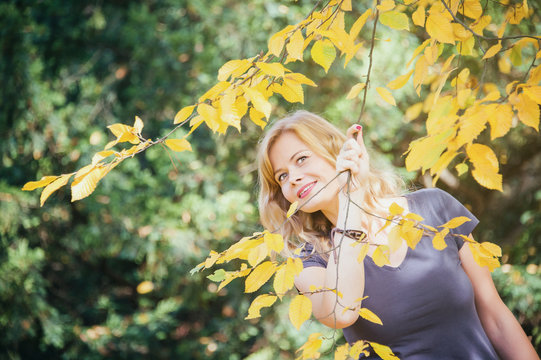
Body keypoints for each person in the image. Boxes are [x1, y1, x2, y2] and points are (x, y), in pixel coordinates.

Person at [256, 110, 539, 359]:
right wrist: (350, 197)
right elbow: (341, 311)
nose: (292, 177)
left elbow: (496, 315)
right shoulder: (309, 262)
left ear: (336, 150)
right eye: (281, 176)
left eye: (301, 159)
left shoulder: (435, 208)